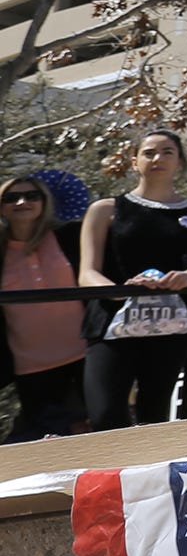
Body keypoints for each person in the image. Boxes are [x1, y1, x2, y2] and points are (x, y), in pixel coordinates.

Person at [77, 129, 187, 427]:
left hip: (170, 325)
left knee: (155, 414)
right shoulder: (105, 209)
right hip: (111, 322)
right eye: (148, 153)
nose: (157, 158)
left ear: (180, 162)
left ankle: (148, 474)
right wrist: (119, 291)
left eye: (167, 152)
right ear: (134, 162)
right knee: (104, 413)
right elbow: (86, 272)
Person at [2, 175, 87, 439]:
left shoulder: (70, 235)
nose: (22, 201)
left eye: (31, 195)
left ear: (44, 201)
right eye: (11, 198)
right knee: (46, 439)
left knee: (91, 431)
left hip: (84, 353)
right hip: (30, 365)